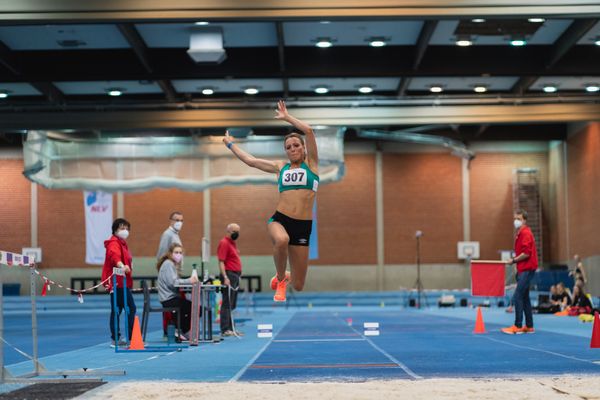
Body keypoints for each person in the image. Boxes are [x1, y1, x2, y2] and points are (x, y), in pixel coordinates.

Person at [222, 100, 318, 302]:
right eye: (288, 147)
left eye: (296, 145)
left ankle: (286, 277)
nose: (292, 149)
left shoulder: (312, 165)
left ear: (303, 148)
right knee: (281, 240)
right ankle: (281, 280)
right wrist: (230, 144)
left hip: (303, 226)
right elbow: (251, 161)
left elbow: (308, 131)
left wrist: (287, 117)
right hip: (280, 219)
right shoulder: (280, 167)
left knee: (299, 286)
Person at [502, 209, 538, 334]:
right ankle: (529, 326)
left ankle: (517, 326)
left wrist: (513, 260)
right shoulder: (520, 233)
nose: (515, 221)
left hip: (527, 269)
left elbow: (526, 254)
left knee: (517, 296)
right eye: (515, 218)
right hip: (523, 269)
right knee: (525, 297)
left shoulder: (526, 233)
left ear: (524, 220)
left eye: (518, 218)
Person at [102, 218, 136, 346]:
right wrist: (122, 266)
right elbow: (114, 256)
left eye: (127, 228)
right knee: (129, 308)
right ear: (115, 230)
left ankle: (116, 338)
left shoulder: (122, 243)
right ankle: (130, 338)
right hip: (117, 282)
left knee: (118, 309)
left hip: (122, 281)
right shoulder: (114, 243)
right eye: (122, 228)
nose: (125, 231)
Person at [157, 243, 198, 340]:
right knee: (194, 307)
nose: (178, 254)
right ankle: (181, 330)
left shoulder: (172, 264)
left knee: (190, 307)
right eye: (176, 252)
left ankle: (182, 329)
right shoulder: (168, 264)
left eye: (180, 252)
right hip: (168, 299)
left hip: (171, 297)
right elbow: (173, 283)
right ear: (170, 254)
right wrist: (189, 280)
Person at [217, 223, 243, 336]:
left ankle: (231, 328)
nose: (237, 234)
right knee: (227, 303)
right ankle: (225, 329)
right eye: (234, 231)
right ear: (228, 231)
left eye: (238, 231)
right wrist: (226, 277)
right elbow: (221, 261)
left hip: (235, 276)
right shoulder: (224, 243)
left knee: (232, 304)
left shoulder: (233, 243)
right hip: (229, 275)